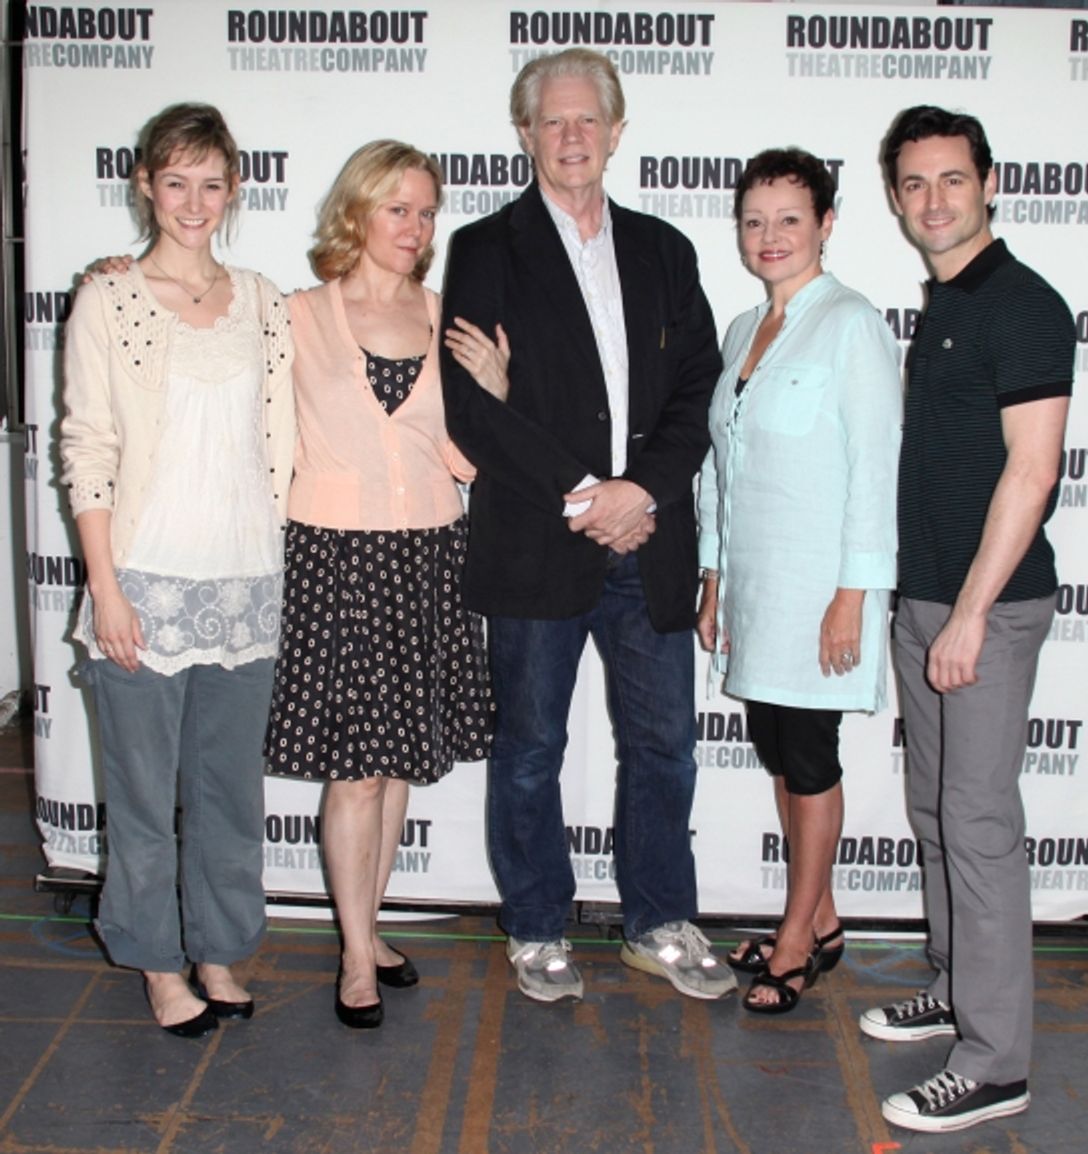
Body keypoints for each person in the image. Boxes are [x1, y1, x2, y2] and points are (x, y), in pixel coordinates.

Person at [439, 48, 734, 1004]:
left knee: (665, 747)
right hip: (538, 543)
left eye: (587, 119)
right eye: (552, 121)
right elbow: (472, 409)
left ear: (616, 131)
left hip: (649, 542)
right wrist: (585, 495)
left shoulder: (664, 250)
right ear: (525, 134)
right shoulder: (485, 250)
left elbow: (698, 388)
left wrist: (638, 492)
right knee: (531, 750)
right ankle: (535, 925)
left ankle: (659, 922)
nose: (572, 136)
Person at [859, 106, 1074, 1133]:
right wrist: (925, 606)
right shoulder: (945, 303)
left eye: (952, 179)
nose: (934, 200)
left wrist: (971, 616)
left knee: (979, 826)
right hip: (929, 600)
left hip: (987, 608)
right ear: (896, 198)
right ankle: (956, 986)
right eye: (914, 183)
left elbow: (1032, 472)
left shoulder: (1023, 306)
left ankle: (995, 1063)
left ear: (990, 183)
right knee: (938, 811)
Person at [61, 103, 295, 1037]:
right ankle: (158, 965)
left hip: (246, 589)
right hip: (144, 589)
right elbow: (87, 449)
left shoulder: (266, 301)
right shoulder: (108, 298)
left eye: (211, 183)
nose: (193, 203)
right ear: (144, 187)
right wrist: (107, 589)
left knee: (231, 797)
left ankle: (218, 949)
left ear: (234, 189)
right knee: (143, 802)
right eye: (175, 183)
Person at [263, 142, 495, 1029]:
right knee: (357, 772)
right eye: (398, 208)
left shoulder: (446, 319)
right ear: (356, 210)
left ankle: (369, 926)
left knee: (396, 765)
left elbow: (467, 459)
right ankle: (357, 954)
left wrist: (495, 390)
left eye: (427, 211)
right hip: (335, 559)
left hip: (428, 557)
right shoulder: (294, 315)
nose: (416, 226)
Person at [696, 149, 901, 1014]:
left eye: (789, 218)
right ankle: (819, 917)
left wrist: (853, 595)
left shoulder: (851, 324)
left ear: (826, 224)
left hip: (821, 591)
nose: (770, 236)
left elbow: (875, 470)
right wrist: (714, 575)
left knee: (810, 758)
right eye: (755, 221)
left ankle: (794, 941)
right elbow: (722, 467)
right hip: (757, 587)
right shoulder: (744, 330)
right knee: (780, 753)